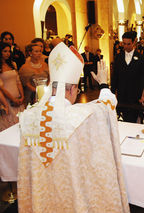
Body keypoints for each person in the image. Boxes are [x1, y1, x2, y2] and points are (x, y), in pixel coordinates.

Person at [18, 40, 129, 212]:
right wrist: (104, 84)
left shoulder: (28, 117)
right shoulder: (82, 116)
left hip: (43, 200)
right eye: (76, 90)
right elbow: (107, 106)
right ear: (71, 89)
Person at [111, 31, 144, 122]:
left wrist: (142, 95)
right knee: (121, 120)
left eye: (128, 44)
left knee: (132, 120)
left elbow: (143, 78)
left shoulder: (141, 58)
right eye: (124, 44)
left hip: (135, 96)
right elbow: (115, 76)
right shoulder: (118, 57)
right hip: (121, 95)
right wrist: (112, 93)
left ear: (134, 42)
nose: (126, 46)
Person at [0, 42, 25, 131]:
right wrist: (12, 99)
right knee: (10, 127)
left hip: (18, 98)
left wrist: (22, 96)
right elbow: (1, 87)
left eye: (9, 51)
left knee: (22, 124)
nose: (7, 53)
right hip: (7, 99)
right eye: (4, 51)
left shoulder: (13, 64)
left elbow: (18, 81)